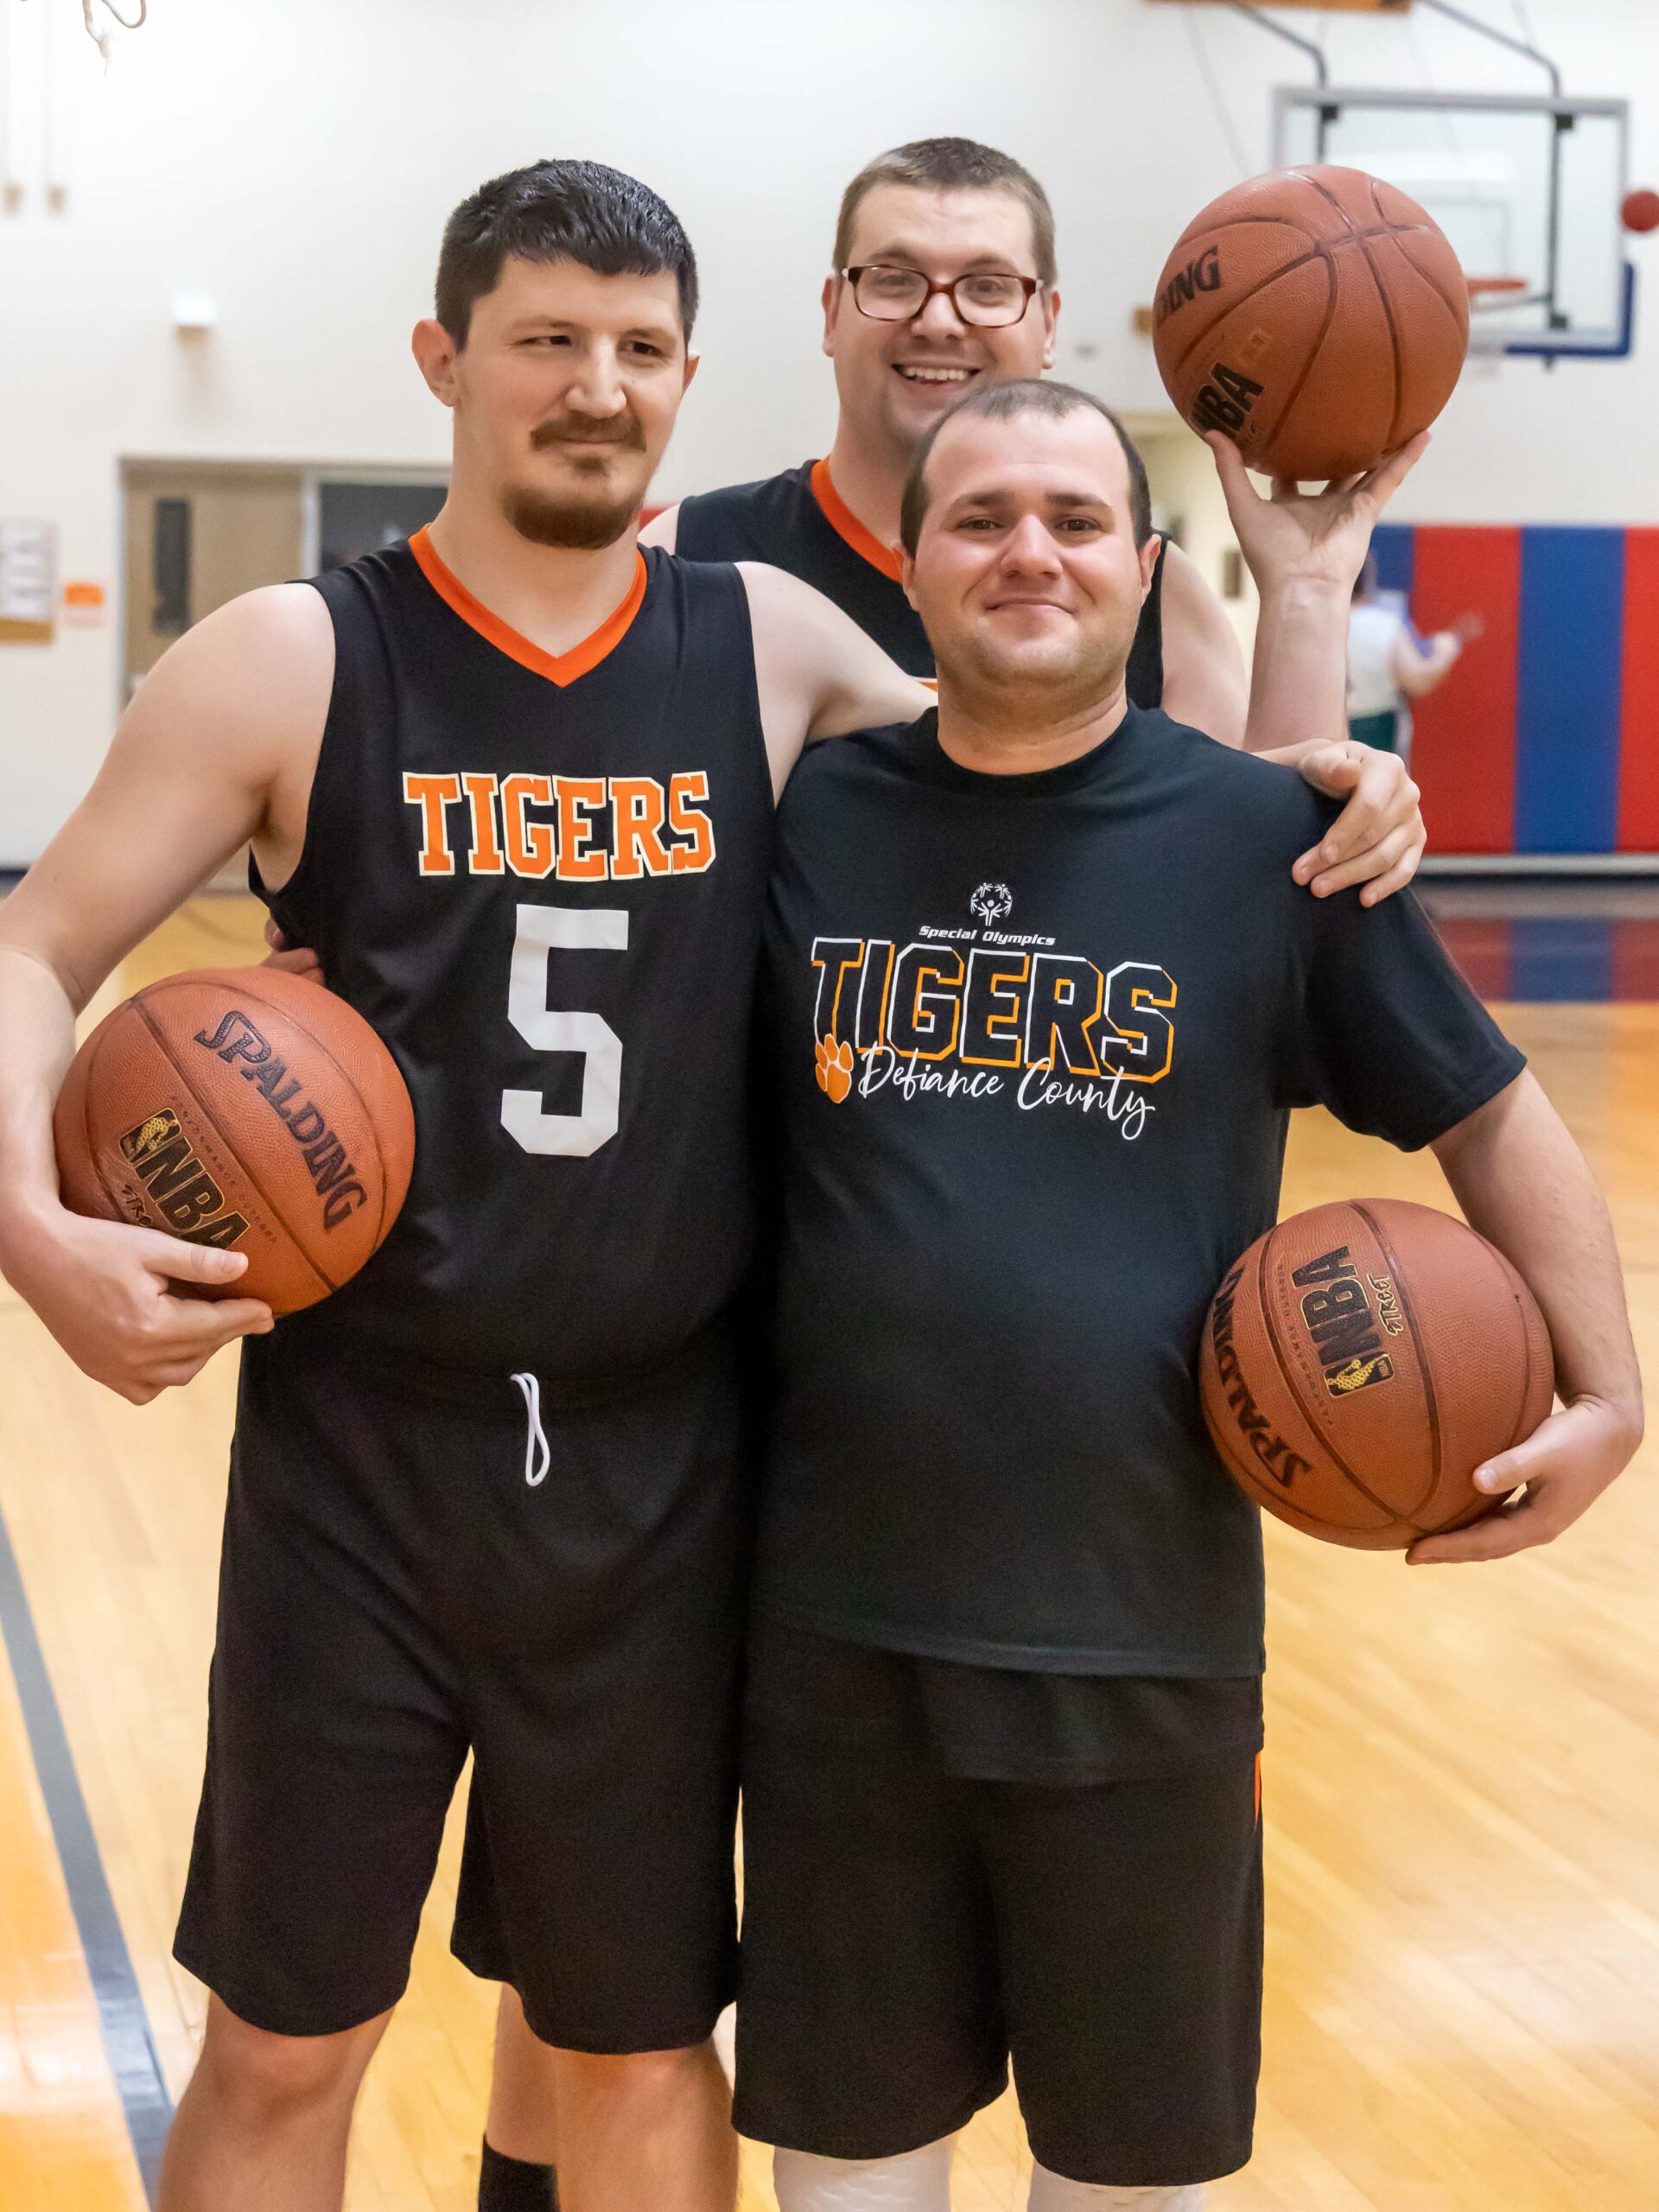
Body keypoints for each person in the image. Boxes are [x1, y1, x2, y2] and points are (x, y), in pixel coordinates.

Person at [0, 158, 1417, 2212]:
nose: (593, 384)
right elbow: (34, 946)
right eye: (544, 341)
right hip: (362, 1459)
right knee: (289, 2035)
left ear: (687, 377)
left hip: (662, 1466)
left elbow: (1123, 795)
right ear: (443, 360)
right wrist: (35, 1236)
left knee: (640, 2041)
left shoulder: (764, 645)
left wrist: (1318, 706)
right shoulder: (292, 656)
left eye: (638, 349)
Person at [731, 379, 1643, 2212]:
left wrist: (1615, 1390)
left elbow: (1487, 1105)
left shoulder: (1266, 836)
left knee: (1132, 2183)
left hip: (1139, 1639)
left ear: (1146, 571)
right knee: (844, 2174)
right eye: (980, 517)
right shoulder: (807, 812)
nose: (1030, 553)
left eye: (1076, 518)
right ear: (906, 567)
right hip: (839, 1632)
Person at [645, 135, 1358, 760]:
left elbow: (1266, 862)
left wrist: (1309, 594)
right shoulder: (695, 551)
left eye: (988, 287)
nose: (939, 319)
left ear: (1048, 325)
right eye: (894, 280)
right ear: (833, 312)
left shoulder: (1147, 589)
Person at [1347, 555, 1480, 760]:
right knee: (1380, 786)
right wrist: (1445, 652)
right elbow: (1418, 679)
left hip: (1323, 728)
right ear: (1368, 579)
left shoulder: (1312, 624)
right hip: (1376, 728)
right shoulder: (1383, 624)